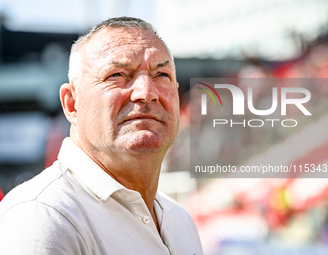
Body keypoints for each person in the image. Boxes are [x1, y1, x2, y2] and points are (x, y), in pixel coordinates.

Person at [0, 17, 203, 255]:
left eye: (162, 75)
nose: (147, 92)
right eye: (117, 74)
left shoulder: (180, 220)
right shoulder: (43, 215)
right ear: (72, 103)